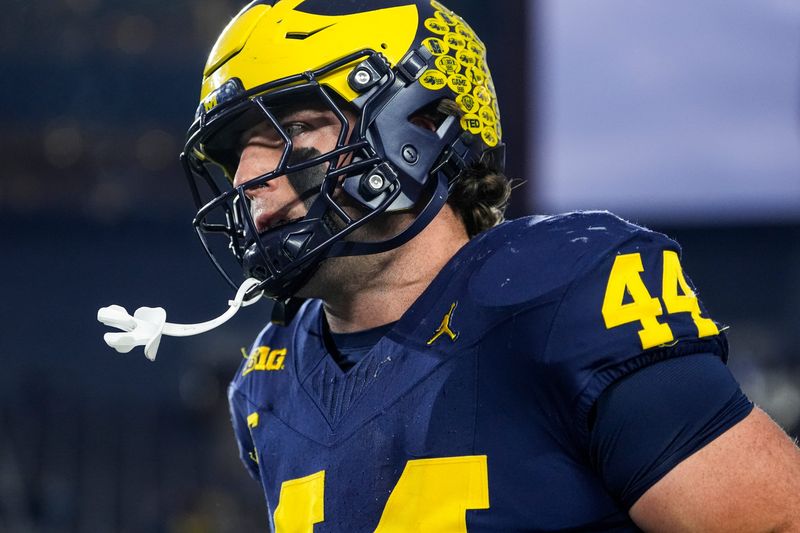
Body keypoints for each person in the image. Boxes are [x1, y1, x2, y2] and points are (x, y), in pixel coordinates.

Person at [181, 0, 800, 530]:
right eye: (236, 154)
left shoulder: (559, 296)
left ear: (419, 125)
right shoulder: (270, 378)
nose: (246, 181)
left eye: (292, 128)